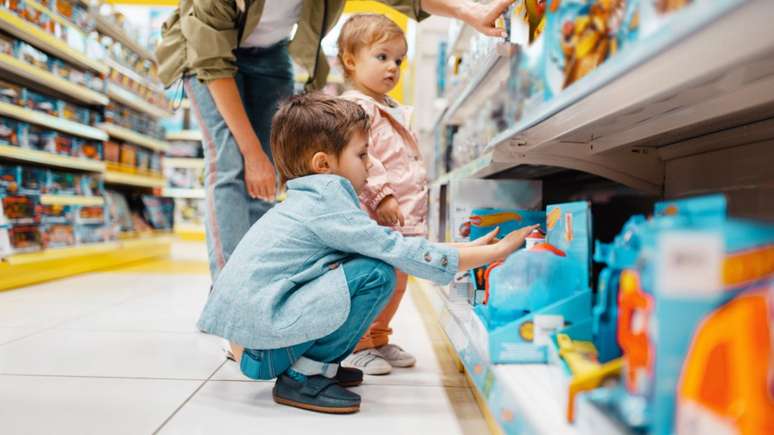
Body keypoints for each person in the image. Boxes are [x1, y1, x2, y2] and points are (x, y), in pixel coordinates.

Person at [197, 93, 539, 414]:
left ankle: (315, 364)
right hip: (261, 347)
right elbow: (393, 251)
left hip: (253, 335)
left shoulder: (311, 196)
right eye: (362, 155)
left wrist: (472, 247)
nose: (370, 164)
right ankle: (303, 376)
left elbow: (391, 243)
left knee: (372, 262)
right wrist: (496, 252)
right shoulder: (327, 199)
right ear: (323, 164)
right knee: (376, 273)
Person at [155, 0, 517, 281]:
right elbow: (213, 62)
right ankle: (230, 289)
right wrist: (253, 153)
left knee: (276, 170)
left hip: (271, 53)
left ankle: (261, 277)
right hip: (205, 58)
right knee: (232, 162)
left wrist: (472, 11)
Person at [336, 14, 430, 374]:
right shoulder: (356, 107)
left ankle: (379, 339)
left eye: (399, 60)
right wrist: (381, 196)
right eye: (382, 57)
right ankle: (357, 343)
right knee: (376, 278)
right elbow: (362, 159)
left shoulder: (391, 108)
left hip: (401, 214)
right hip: (373, 212)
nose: (393, 67)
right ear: (350, 60)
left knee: (397, 282)